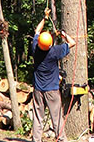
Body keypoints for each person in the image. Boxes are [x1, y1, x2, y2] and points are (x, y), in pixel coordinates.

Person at [31, 8, 76, 142]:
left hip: (38, 90)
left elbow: (37, 31)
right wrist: (63, 34)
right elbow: (72, 43)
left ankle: (36, 140)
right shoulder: (55, 52)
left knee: (38, 118)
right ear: (50, 44)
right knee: (56, 117)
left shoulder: (35, 48)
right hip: (52, 90)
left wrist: (44, 18)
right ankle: (61, 139)